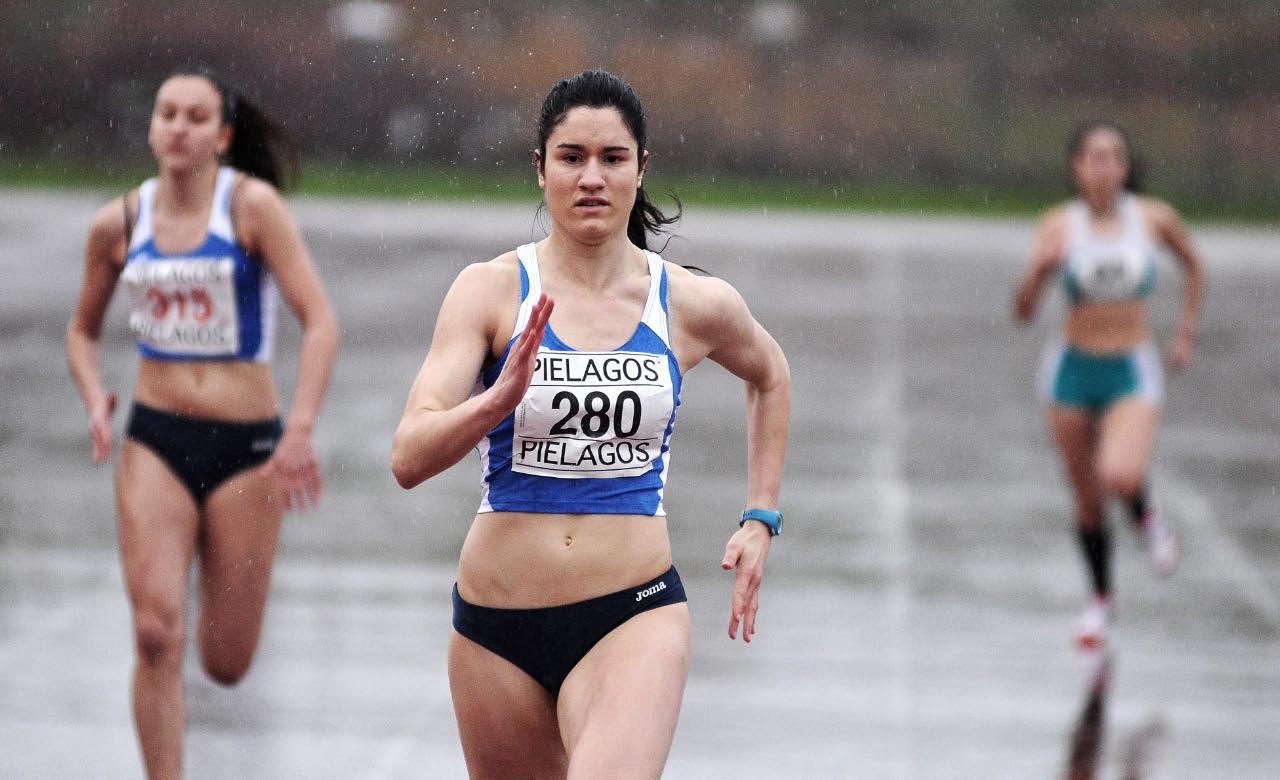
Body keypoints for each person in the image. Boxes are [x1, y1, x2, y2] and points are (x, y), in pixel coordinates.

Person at [391, 68, 791, 778]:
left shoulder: (689, 303)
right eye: (571, 157)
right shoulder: (488, 292)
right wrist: (495, 402)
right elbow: (408, 457)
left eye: (612, 158)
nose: (592, 178)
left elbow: (770, 374)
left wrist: (760, 516)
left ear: (641, 168)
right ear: (541, 168)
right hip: (494, 630)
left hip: (631, 614)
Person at [66, 68, 339, 779]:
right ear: (152, 128)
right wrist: (94, 395)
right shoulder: (118, 224)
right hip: (156, 439)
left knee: (225, 661)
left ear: (221, 135)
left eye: (196, 116)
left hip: (248, 450)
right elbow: (82, 331)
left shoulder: (252, 208)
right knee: (155, 634)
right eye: (167, 114)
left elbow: (320, 322)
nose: (179, 127)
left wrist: (300, 429)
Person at [1014, 120, 1203, 648]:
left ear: (1126, 166)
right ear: (1077, 167)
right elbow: (1023, 311)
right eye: (1095, 157)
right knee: (1087, 497)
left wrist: (1186, 332)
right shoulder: (1058, 226)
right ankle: (1100, 599)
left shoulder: (1153, 218)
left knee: (1119, 473)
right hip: (1072, 369)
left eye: (1115, 156)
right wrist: (1039, 272)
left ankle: (1150, 519)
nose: (1105, 167)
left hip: (1129, 366)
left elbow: (1194, 266)